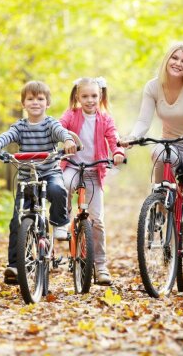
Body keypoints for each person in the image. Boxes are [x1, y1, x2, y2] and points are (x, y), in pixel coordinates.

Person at [122, 41, 183, 289]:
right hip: (170, 144)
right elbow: (143, 121)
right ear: (167, 59)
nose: (178, 63)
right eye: (175, 58)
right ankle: (159, 206)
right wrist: (133, 137)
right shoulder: (153, 87)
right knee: (160, 153)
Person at [0, 81, 77, 285]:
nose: (35, 102)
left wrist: (68, 141)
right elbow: (6, 136)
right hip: (27, 177)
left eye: (40, 99)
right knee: (17, 220)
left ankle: (60, 222)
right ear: (23, 104)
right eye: (31, 99)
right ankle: (15, 266)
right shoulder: (20, 126)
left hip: (49, 172)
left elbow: (62, 132)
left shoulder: (50, 124)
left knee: (57, 189)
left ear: (48, 103)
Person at [60, 77, 125, 285]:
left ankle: (101, 264)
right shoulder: (71, 115)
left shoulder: (105, 119)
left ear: (101, 96)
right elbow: (59, 127)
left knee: (97, 220)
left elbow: (113, 137)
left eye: (94, 96)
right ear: (78, 97)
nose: (90, 100)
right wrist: (66, 138)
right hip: (72, 167)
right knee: (64, 186)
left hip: (93, 171)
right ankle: (62, 221)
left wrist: (117, 151)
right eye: (85, 96)